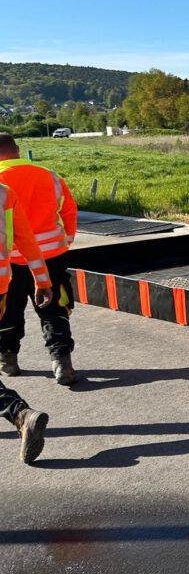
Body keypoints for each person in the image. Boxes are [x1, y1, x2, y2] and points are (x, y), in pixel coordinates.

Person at [0, 134, 79, 385]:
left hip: (10, 261)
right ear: (17, 150)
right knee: (55, 308)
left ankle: (8, 359)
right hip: (51, 255)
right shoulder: (48, 175)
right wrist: (66, 239)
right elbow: (68, 209)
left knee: (8, 312)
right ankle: (61, 362)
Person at [0, 179, 54, 463]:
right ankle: (20, 414)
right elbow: (25, 239)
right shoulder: (5, 193)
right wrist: (42, 279)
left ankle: (20, 414)